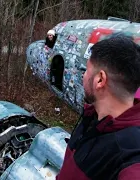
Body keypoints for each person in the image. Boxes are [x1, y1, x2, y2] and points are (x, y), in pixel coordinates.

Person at [56, 35, 140, 179]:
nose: (83, 76)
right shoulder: (92, 117)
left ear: (100, 80)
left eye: (87, 70)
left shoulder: (131, 159)